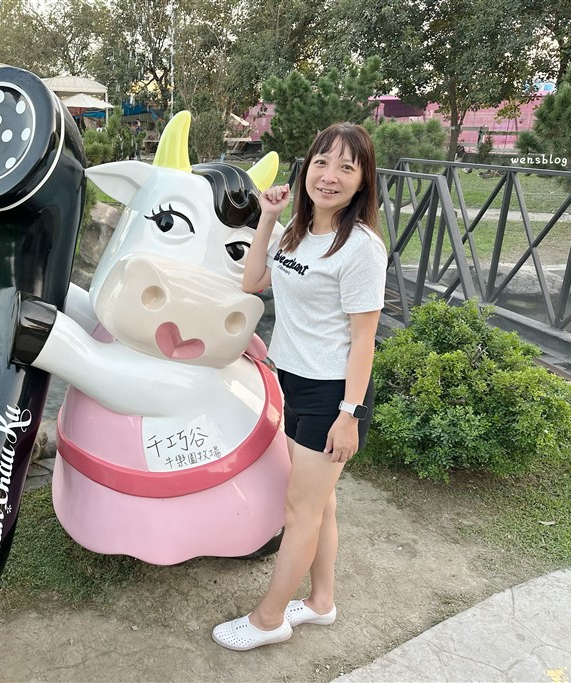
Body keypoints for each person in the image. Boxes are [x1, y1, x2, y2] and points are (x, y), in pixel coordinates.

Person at [212, 122, 388, 651]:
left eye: (345, 167)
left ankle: (269, 620)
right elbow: (252, 282)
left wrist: (350, 415)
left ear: (362, 182)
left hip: (331, 393)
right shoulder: (297, 230)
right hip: (291, 378)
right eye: (321, 161)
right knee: (322, 506)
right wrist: (268, 216)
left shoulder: (360, 249)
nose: (329, 175)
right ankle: (320, 603)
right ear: (306, 166)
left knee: (301, 511)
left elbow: (364, 341)